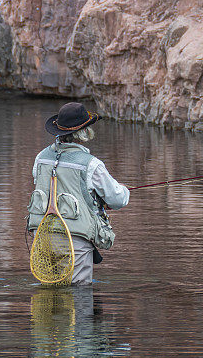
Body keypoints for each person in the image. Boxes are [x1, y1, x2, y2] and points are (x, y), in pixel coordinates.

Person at [28, 102, 130, 285]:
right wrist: (123, 189)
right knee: (78, 295)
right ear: (84, 133)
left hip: (42, 236)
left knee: (52, 291)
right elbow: (118, 199)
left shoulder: (41, 157)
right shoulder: (91, 164)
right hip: (75, 240)